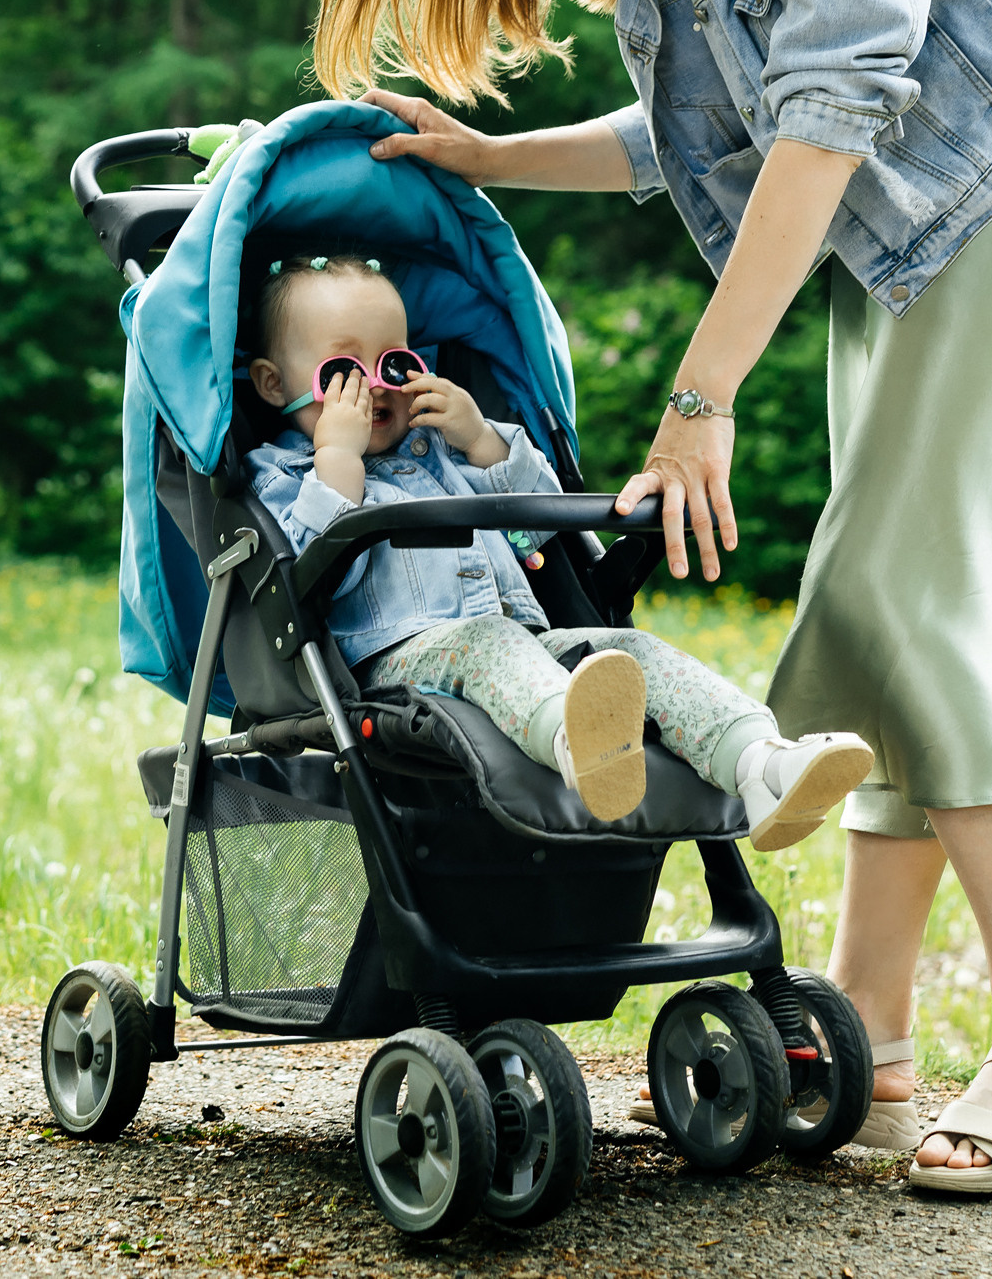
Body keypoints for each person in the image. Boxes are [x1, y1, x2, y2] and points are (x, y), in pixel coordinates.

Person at [311, 0, 992, 1194]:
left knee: (901, 582)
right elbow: (705, 133)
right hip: (885, 212)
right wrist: (488, 155)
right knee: (879, 602)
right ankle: (871, 1035)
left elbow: (834, 103)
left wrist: (703, 393)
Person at [245, 252, 873, 848]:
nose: (375, 390)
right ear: (275, 384)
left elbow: (538, 531)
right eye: (342, 373)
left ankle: (760, 764)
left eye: (395, 365)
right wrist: (338, 458)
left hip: (524, 642)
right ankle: (584, 747)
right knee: (490, 644)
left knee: (631, 650)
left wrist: (481, 439)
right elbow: (302, 582)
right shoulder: (283, 473)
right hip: (396, 665)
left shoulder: (446, 451)